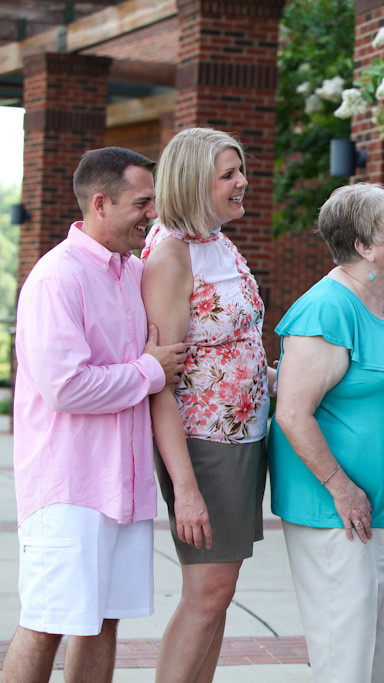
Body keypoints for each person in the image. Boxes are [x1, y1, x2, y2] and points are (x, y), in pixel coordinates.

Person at [5, 147, 185, 682]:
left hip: (121, 489)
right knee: (45, 623)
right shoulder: (57, 278)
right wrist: (150, 372)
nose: (151, 213)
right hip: (68, 489)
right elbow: (66, 387)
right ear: (101, 203)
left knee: (103, 622)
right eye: (142, 202)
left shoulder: (132, 273)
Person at [268, 183, 384, 682]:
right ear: (363, 247)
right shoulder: (326, 310)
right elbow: (293, 414)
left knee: (375, 656)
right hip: (337, 510)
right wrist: (342, 488)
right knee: (345, 656)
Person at [140, 128, 271, 683]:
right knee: (207, 594)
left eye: (240, 170)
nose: (242, 182)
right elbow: (160, 382)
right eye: (228, 174)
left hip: (242, 440)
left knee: (219, 596)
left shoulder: (217, 241)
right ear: (195, 181)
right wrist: (186, 487)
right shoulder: (170, 254)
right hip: (204, 445)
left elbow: (235, 344)